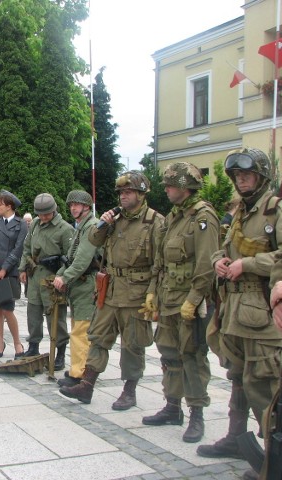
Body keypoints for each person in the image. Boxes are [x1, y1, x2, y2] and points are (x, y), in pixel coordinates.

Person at [198, 149, 282, 477]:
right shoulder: (240, 212)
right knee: (238, 378)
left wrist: (246, 264)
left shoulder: (274, 210)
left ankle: (274, 461)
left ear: (262, 176)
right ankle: (236, 438)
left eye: (247, 174)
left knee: (265, 386)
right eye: (236, 176)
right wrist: (219, 259)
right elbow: (227, 246)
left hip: (261, 314)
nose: (241, 180)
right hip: (234, 312)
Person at [61, 172, 164, 409]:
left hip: (136, 293)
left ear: (141, 194)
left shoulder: (155, 222)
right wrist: (104, 223)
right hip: (110, 289)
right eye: (121, 193)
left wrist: (153, 294)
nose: (123, 197)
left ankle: (129, 391)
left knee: (132, 345)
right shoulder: (115, 218)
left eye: (128, 192)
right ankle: (86, 385)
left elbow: (160, 263)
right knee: (98, 337)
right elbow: (94, 240)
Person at [141, 162, 219, 444]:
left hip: (189, 302)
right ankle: (172, 407)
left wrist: (195, 299)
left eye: (171, 185)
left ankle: (196, 413)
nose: (167, 189)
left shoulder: (203, 217)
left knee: (192, 356)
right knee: (169, 355)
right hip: (168, 298)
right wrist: (152, 292)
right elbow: (160, 262)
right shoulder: (174, 217)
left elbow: (207, 264)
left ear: (186, 187)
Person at [18, 193, 74, 369]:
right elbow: (26, 247)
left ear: (54, 210)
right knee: (33, 313)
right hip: (35, 274)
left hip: (53, 277)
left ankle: (60, 353)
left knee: (56, 317)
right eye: (40, 214)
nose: (43, 217)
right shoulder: (35, 224)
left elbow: (70, 257)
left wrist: (62, 276)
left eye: (46, 214)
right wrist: (22, 268)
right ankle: (33, 346)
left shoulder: (65, 229)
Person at [55, 190, 99, 387]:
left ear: (87, 207)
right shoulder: (82, 226)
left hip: (87, 282)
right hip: (79, 283)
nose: (73, 207)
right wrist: (60, 273)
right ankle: (78, 368)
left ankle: (79, 374)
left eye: (77, 205)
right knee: (78, 328)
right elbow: (72, 256)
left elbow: (82, 260)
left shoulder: (91, 227)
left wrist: (64, 277)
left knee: (81, 331)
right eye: (71, 204)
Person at [0, 190, 27, 358]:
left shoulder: (21, 224)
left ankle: (17, 342)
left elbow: (18, 249)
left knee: (8, 309)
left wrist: (3, 270)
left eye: (0, 204)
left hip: (9, 273)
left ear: (9, 206)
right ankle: (0, 342)